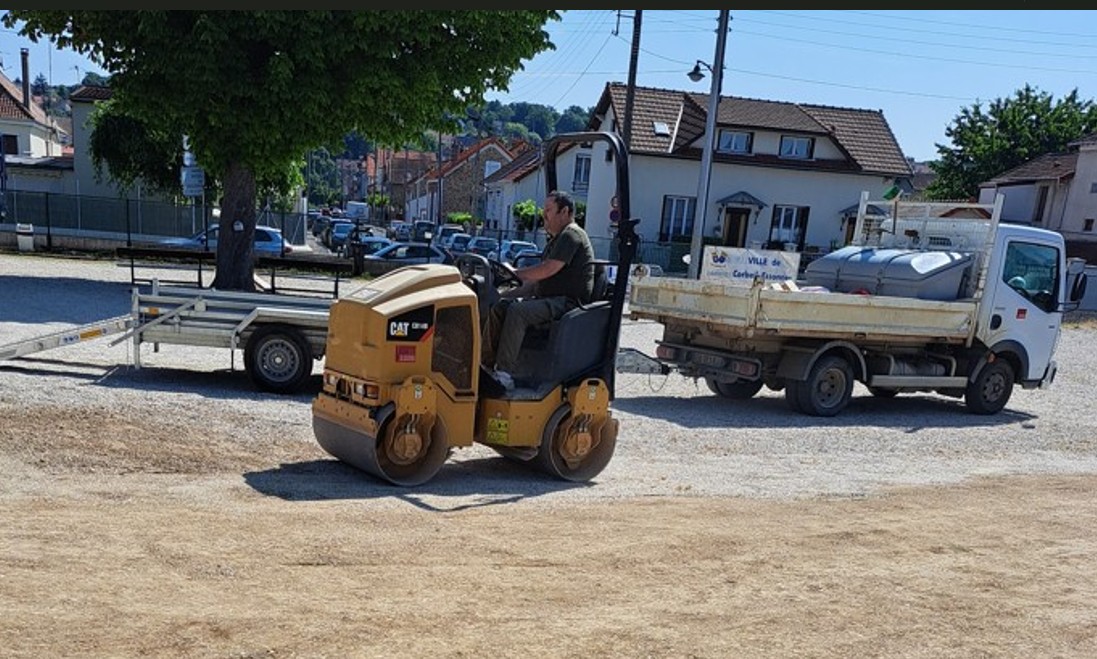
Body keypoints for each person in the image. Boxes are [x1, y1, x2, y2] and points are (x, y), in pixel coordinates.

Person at [481, 190, 594, 390]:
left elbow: (548, 269)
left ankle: (504, 374)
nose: (544, 216)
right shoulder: (556, 240)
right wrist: (500, 293)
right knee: (500, 307)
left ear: (564, 211)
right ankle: (486, 366)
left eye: (548, 210)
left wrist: (517, 271)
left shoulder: (571, 235)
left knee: (518, 312)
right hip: (550, 300)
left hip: (568, 303)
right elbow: (534, 284)